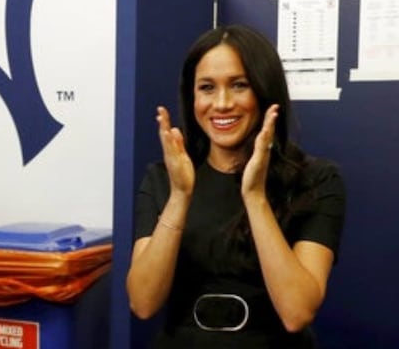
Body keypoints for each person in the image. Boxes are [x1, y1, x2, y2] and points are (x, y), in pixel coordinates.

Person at [126, 24, 346, 348]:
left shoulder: (316, 180)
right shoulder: (163, 180)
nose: (222, 103)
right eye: (207, 88)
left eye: (239, 85)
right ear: (192, 97)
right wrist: (180, 197)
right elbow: (142, 302)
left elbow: (297, 311)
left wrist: (254, 196)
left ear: (264, 90)